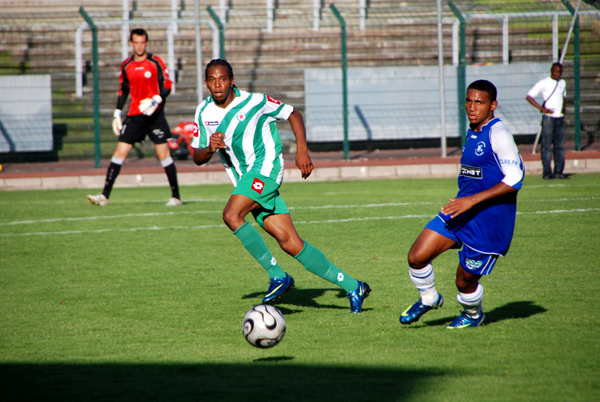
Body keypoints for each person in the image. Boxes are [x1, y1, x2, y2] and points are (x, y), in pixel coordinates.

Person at [191, 59, 370, 313]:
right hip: (245, 179)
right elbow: (197, 156)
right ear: (206, 83)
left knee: (231, 215)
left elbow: (292, 113)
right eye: (211, 80)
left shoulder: (255, 102)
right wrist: (210, 148)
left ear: (232, 81)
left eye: (222, 79)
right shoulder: (203, 111)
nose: (217, 85)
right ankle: (354, 286)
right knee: (290, 242)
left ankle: (278, 276)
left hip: (266, 169)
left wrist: (302, 151)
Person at [399, 80, 524, 329]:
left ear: (493, 105)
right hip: (459, 213)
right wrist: (465, 201)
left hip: (488, 222)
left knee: (463, 282)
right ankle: (429, 298)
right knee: (417, 256)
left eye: (479, 102)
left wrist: (472, 200)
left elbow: (515, 177)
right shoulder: (472, 130)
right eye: (469, 100)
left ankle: (473, 315)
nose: (472, 106)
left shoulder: (498, 133)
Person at [87, 28, 182, 206]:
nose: (139, 46)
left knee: (163, 154)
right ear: (131, 43)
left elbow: (168, 84)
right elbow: (123, 90)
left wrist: (157, 99)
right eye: (136, 42)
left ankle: (176, 196)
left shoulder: (155, 62)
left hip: (155, 115)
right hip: (135, 115)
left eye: (142, 42)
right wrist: (117, 111)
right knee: (119, 153)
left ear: (147, 43)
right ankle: (104, 196)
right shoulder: (126, 65)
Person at [526, 62, 568, 180]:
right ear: (551, 71)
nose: (558, 74)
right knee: (546, 146)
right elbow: (529, 96)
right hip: (548, 119)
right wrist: (542, 109)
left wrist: (564, 109)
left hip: (559, 119)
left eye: (560, 72)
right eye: (555, 71)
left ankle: (558, 171)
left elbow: (563, 96)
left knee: (559, 146)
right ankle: (547, 173)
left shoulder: (562, 83)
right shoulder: (544, 83)